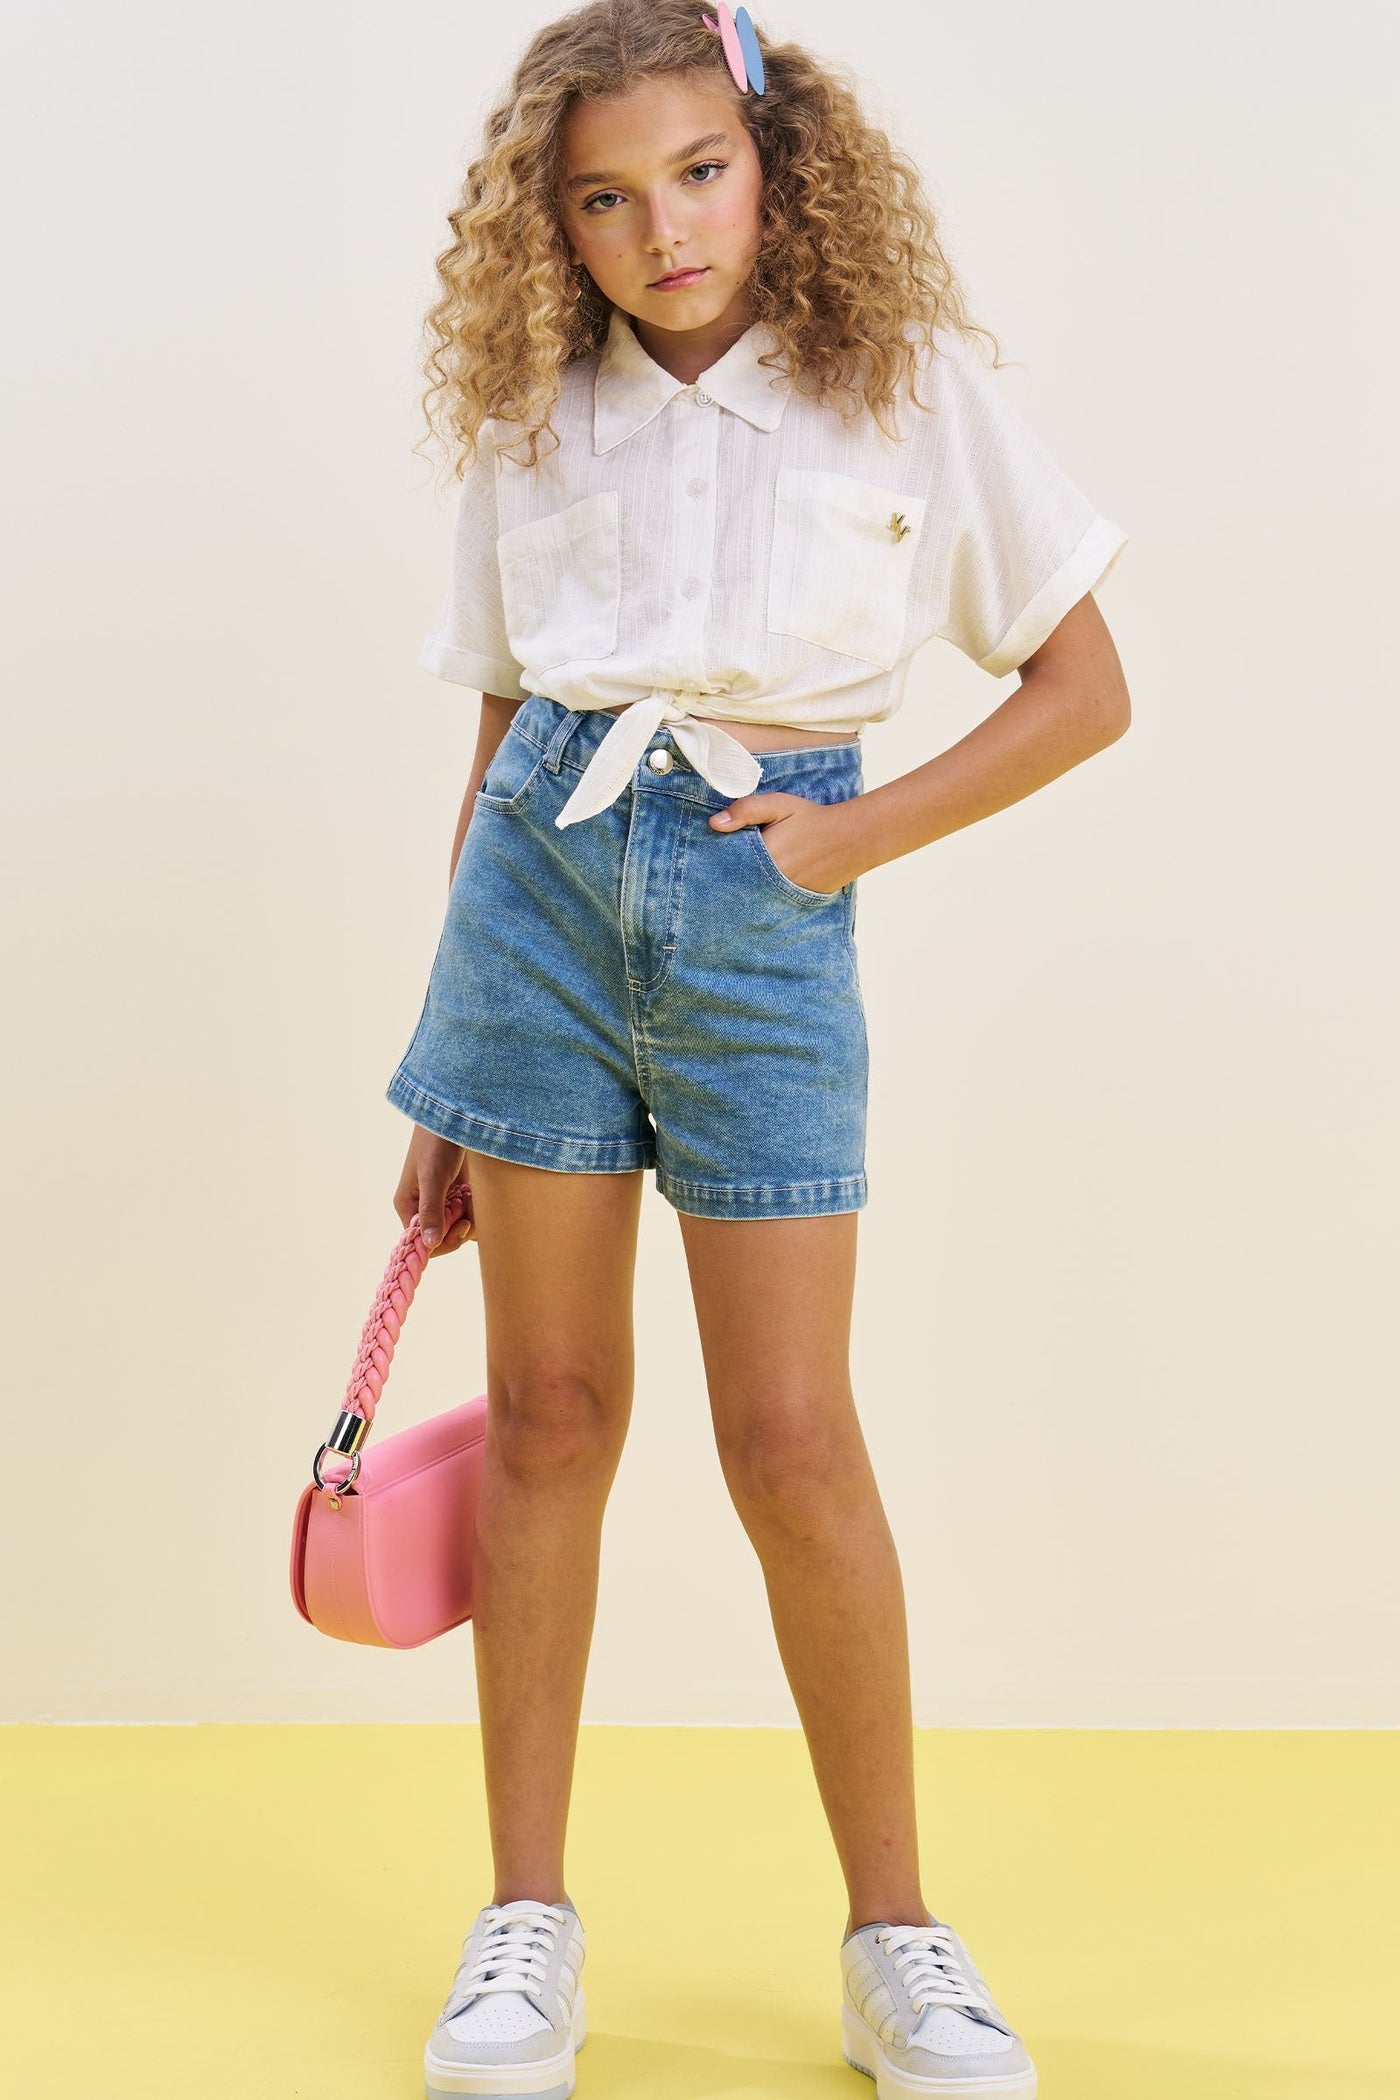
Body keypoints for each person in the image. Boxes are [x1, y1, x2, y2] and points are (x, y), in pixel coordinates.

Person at [386, 5, 1130, 2096]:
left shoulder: (902, 388)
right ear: (554, 225)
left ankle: (898, 1938)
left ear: (776, 161)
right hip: (533, 908)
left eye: (699, 171)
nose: (664, 230)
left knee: (790, 1437)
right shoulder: (535, 411)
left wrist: (842, 839)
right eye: (605, 199)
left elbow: (1084, 687)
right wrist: (448, 1052)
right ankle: (525, 1924)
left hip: (763, 920)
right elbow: (501, 718)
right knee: (548, 1416)